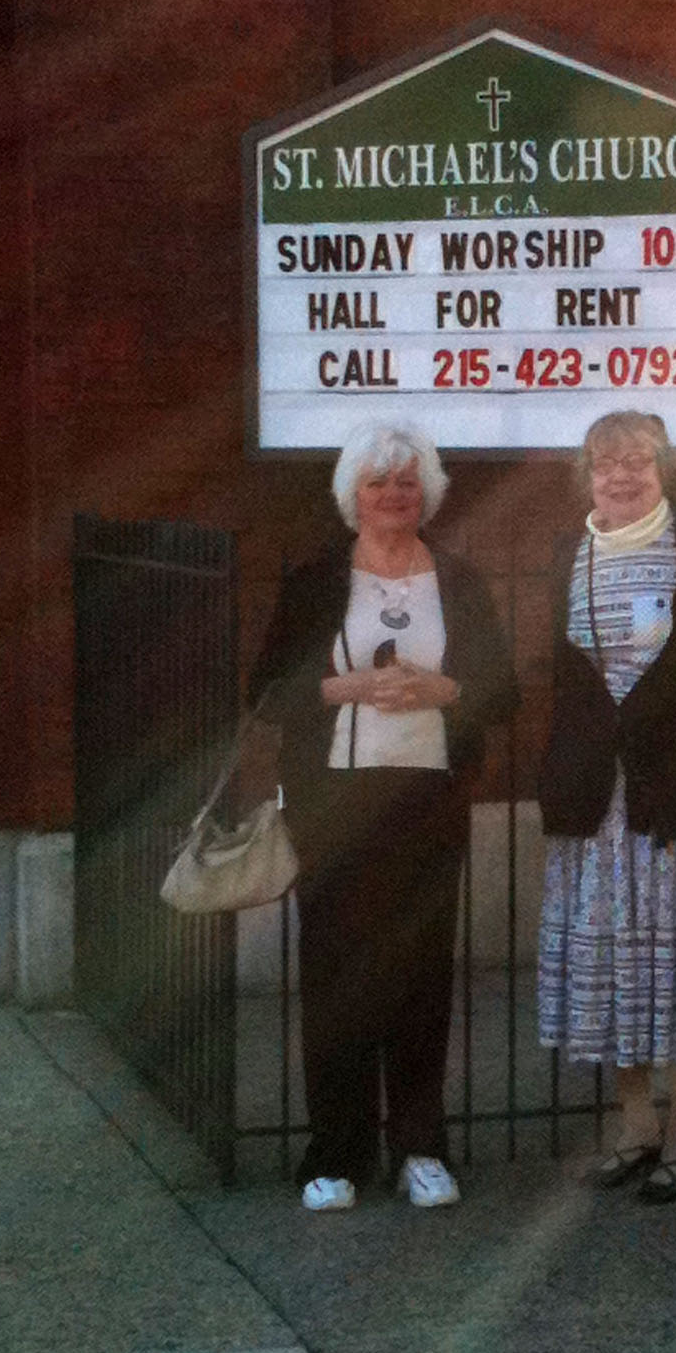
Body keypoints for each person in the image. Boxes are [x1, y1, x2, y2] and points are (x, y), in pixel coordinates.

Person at [249, 422, 516, 1212]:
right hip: (334, 801)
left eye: (406, 482)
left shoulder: (459, 580)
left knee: (421, 976)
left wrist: (449, 691)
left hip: (427, 799)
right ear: (351, 495)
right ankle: (335, 1153)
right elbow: (266, 692)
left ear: (426, 493)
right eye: (377, 482)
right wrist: (345, 689)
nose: (394, 495)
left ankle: (420, 1148)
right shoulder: (315, 581)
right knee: (335, 975)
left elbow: (502, 689)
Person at [537, 410, 676, 1204]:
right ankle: (634, 1123)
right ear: (586, 475)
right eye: (605, 463)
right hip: (595, 800)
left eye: (637, 461)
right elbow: (565, 681)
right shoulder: (572, 552)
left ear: (667, 470)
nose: (621, 475)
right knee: (609, 957)